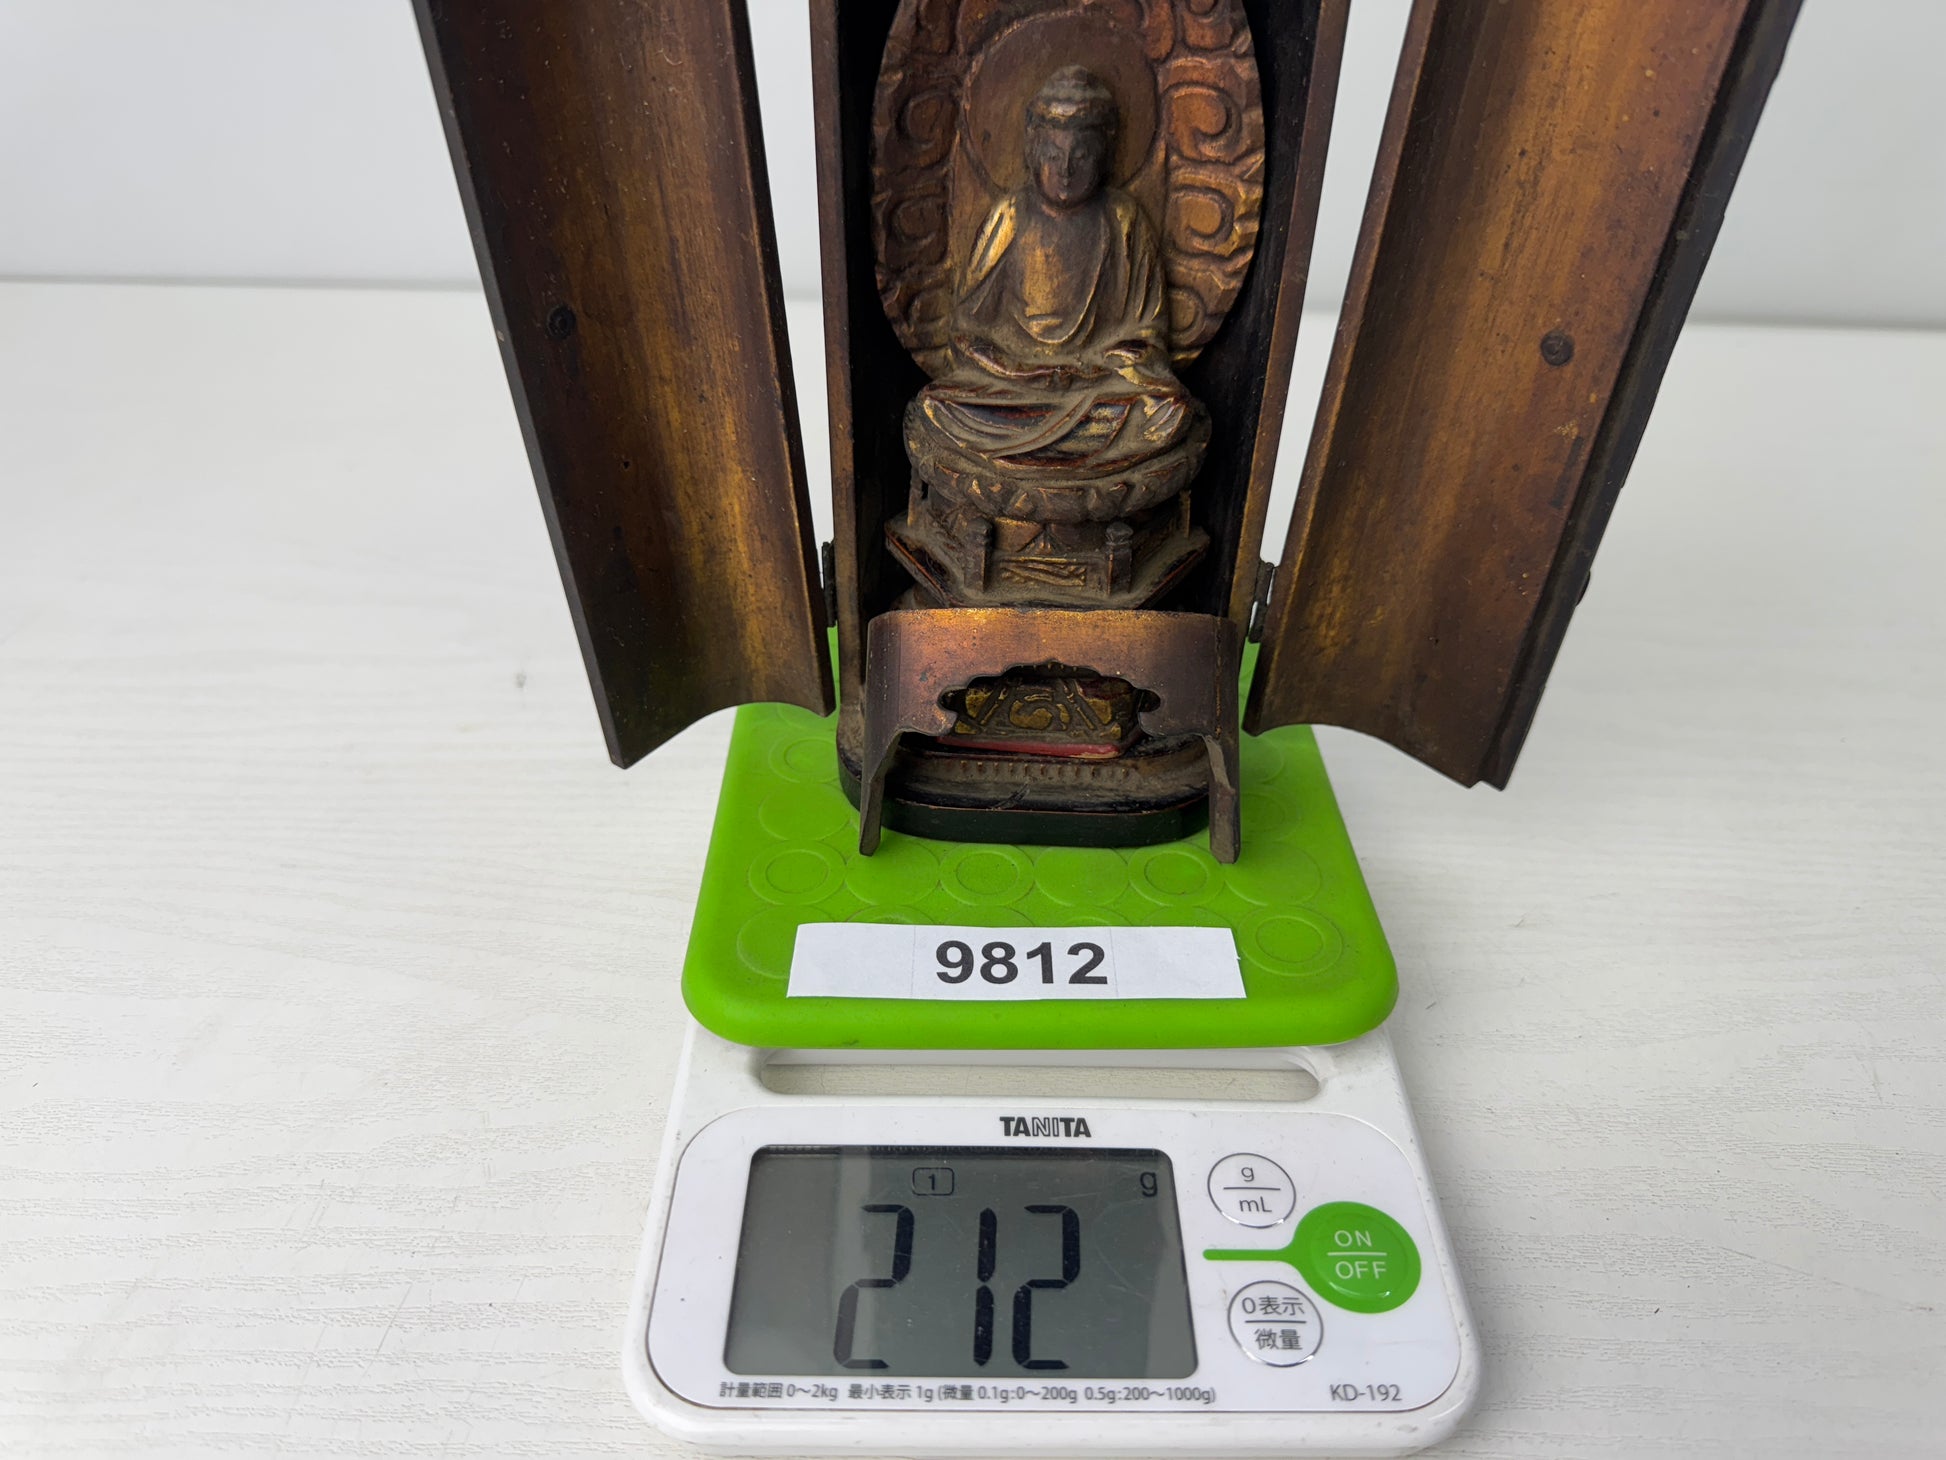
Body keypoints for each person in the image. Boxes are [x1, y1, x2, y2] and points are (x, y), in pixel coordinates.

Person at [911, 65, 1204, 476]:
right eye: (1053, 155)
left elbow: (1147, 336)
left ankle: (1045, 456)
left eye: (1081, 156)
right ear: (1032, 152)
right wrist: (1020, 371)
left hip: (1095, 390)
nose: (1065, 170)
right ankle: (1078, 459)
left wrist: (1097, 369)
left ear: (1103, 156)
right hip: (1016, 391)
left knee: (1168, 409)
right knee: (938, 405)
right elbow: (966, 333)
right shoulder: (1010, 216)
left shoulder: (1123, 221)